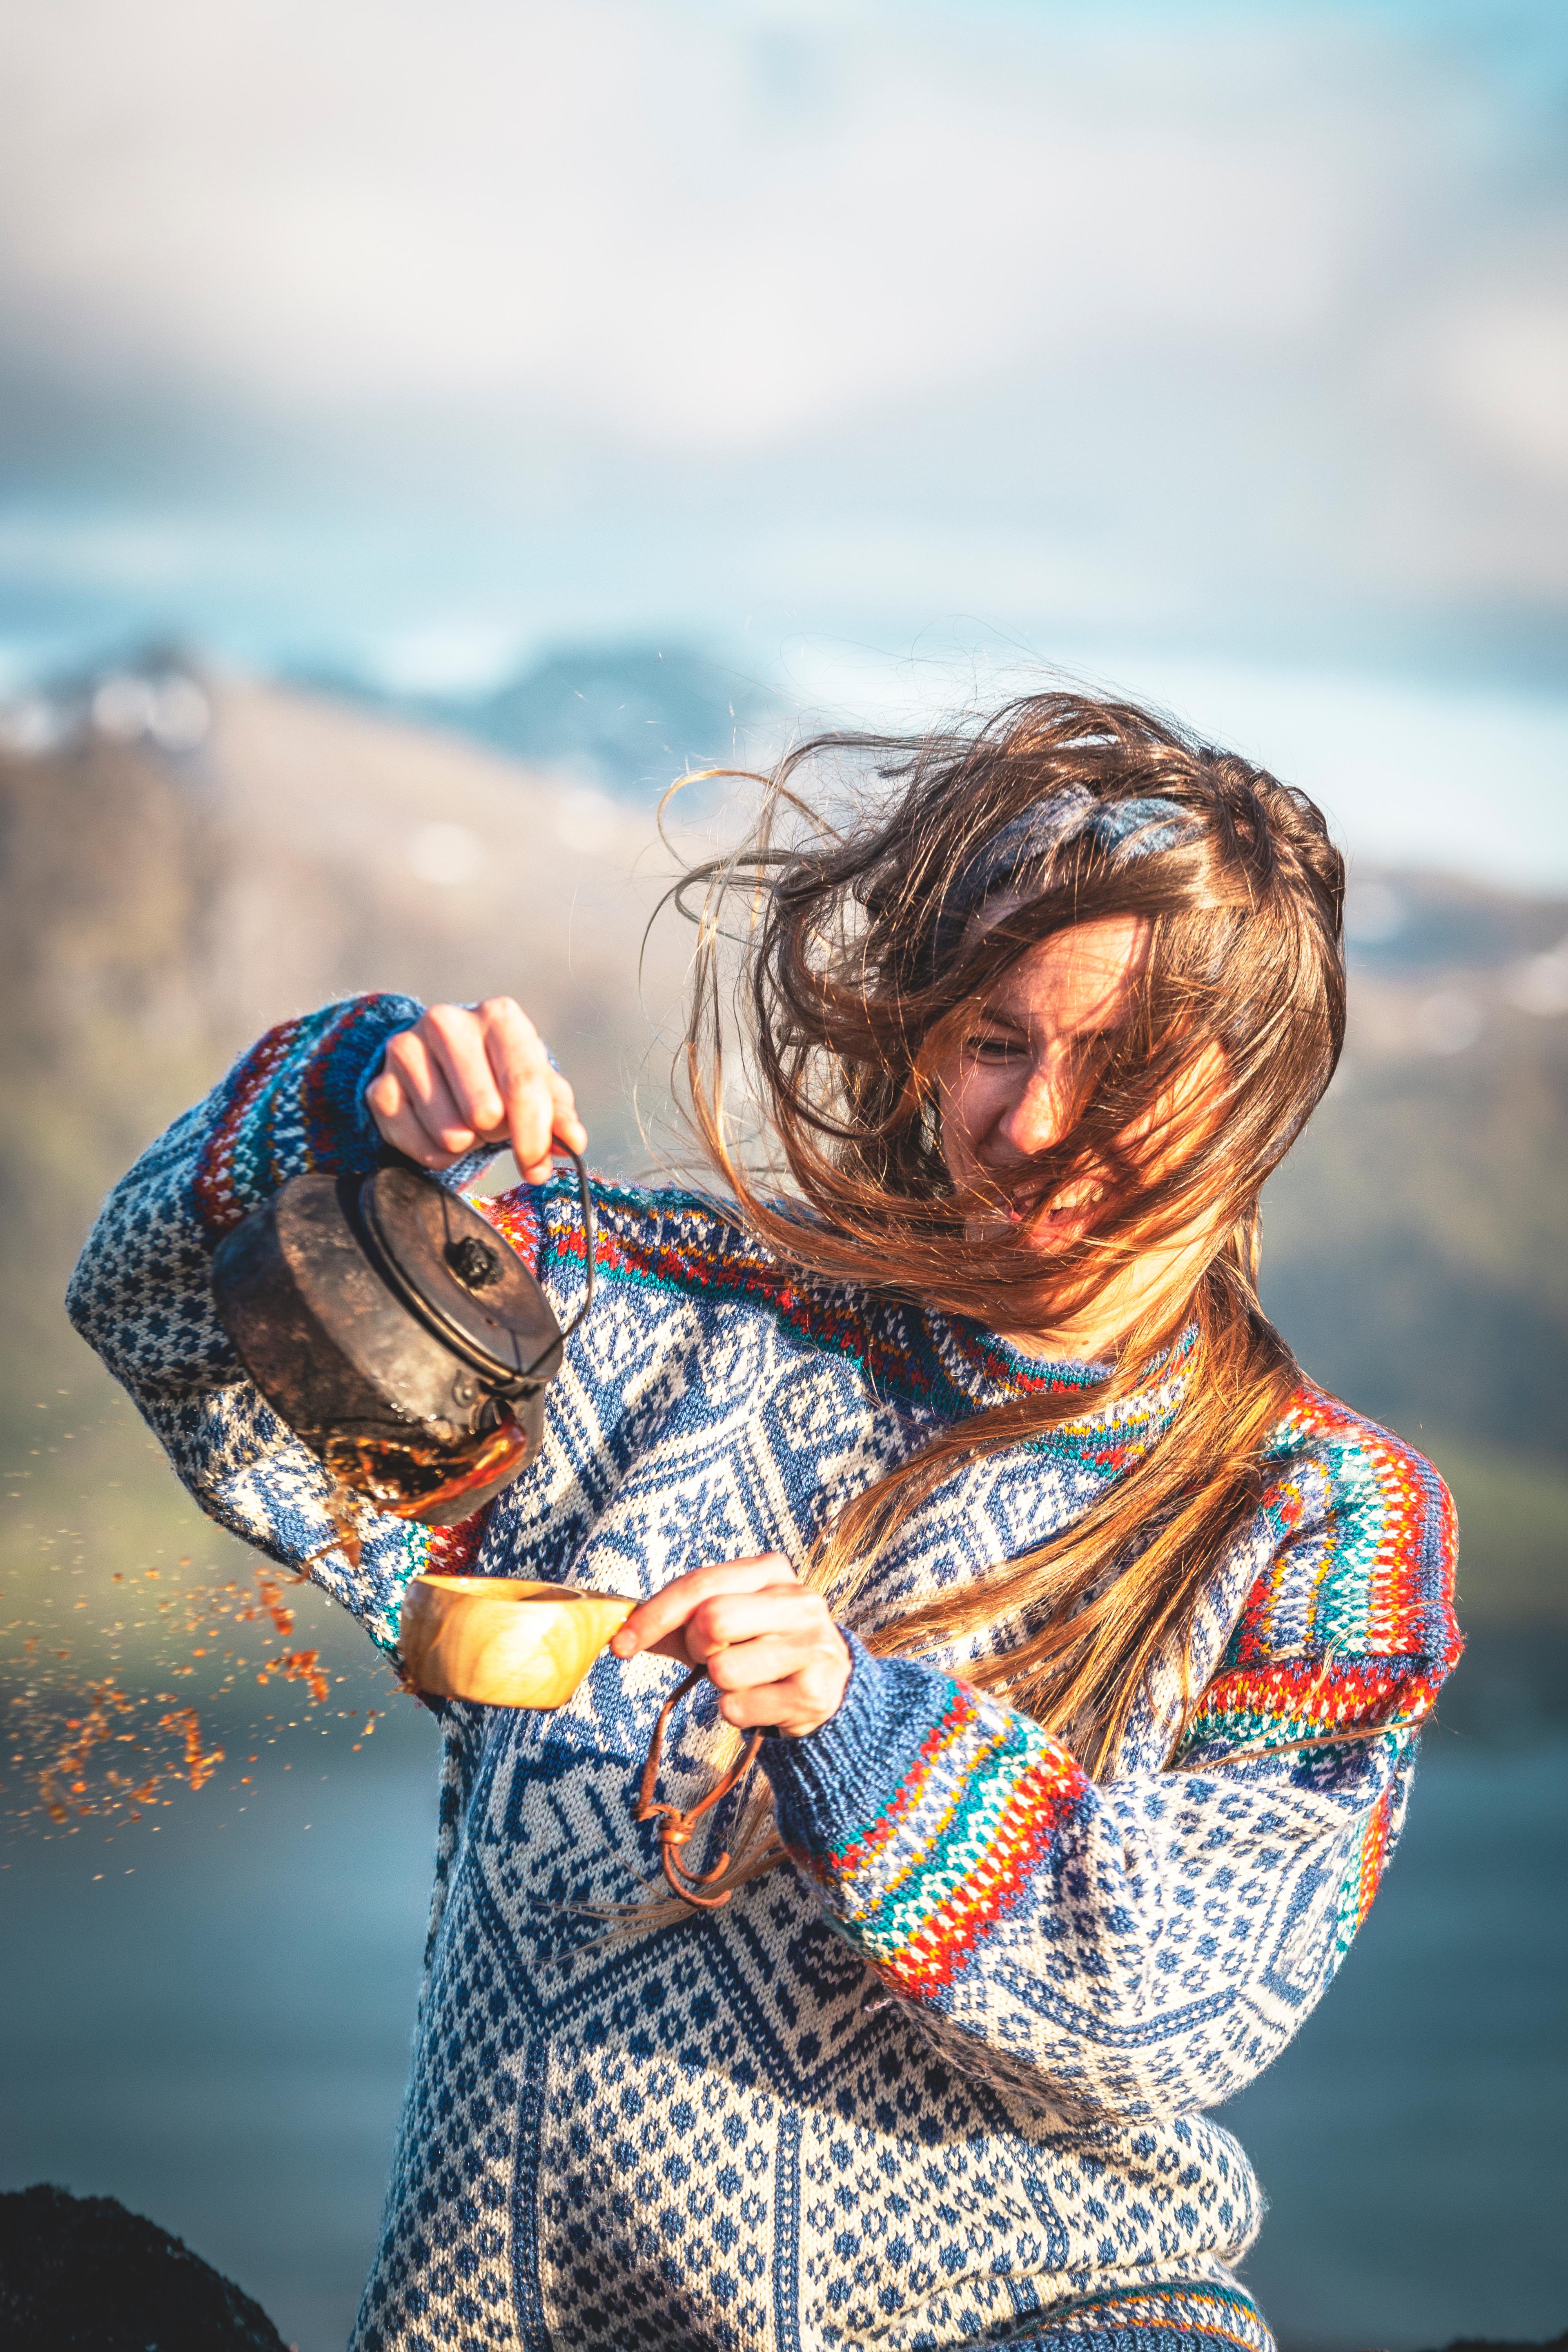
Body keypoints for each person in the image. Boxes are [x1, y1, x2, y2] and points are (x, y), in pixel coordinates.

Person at [68, 691, 1459, 2352]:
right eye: (998, 1042)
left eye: (1125, 1067)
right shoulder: (649, 1312)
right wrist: (350, 1110)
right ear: (929, 1043)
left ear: (1258, 1100)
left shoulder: (1327, 1516)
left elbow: (1183, 1998)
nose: (1033, 1124)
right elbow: (163, 1318)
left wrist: (856, 1729)